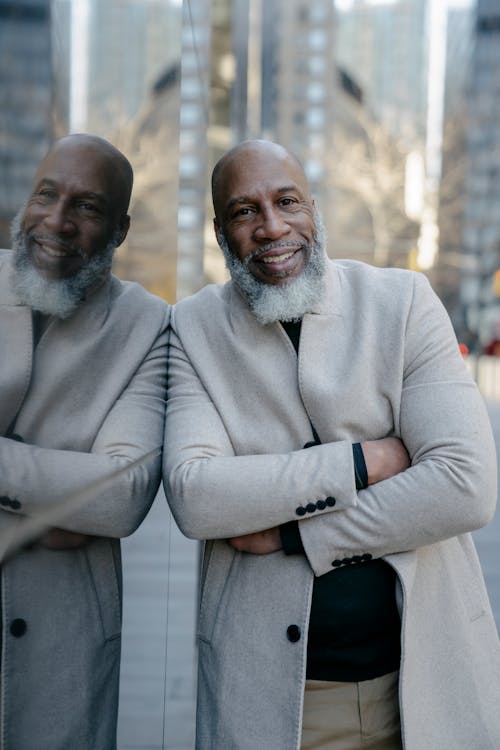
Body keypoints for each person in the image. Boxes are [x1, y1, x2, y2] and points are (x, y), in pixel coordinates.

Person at [163, 139, 500, 750]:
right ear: (220, 231)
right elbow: (196, 496)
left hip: (428, 682)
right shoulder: (192, 327)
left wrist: (293, 535)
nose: (271, 227)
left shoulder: (403, 302)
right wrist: (363, 462)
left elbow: (466, 487)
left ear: (313, 209)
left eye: (286, 201)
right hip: (278, 702)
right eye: (244, 212)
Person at [0, 134, 170, 749]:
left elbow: (117, 498)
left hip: (61, 657)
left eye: (88, 207)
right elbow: (81, 505)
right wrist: (49, 511)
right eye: (47, 195)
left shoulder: (146, 325)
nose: (59, 221)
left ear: (119, 230)